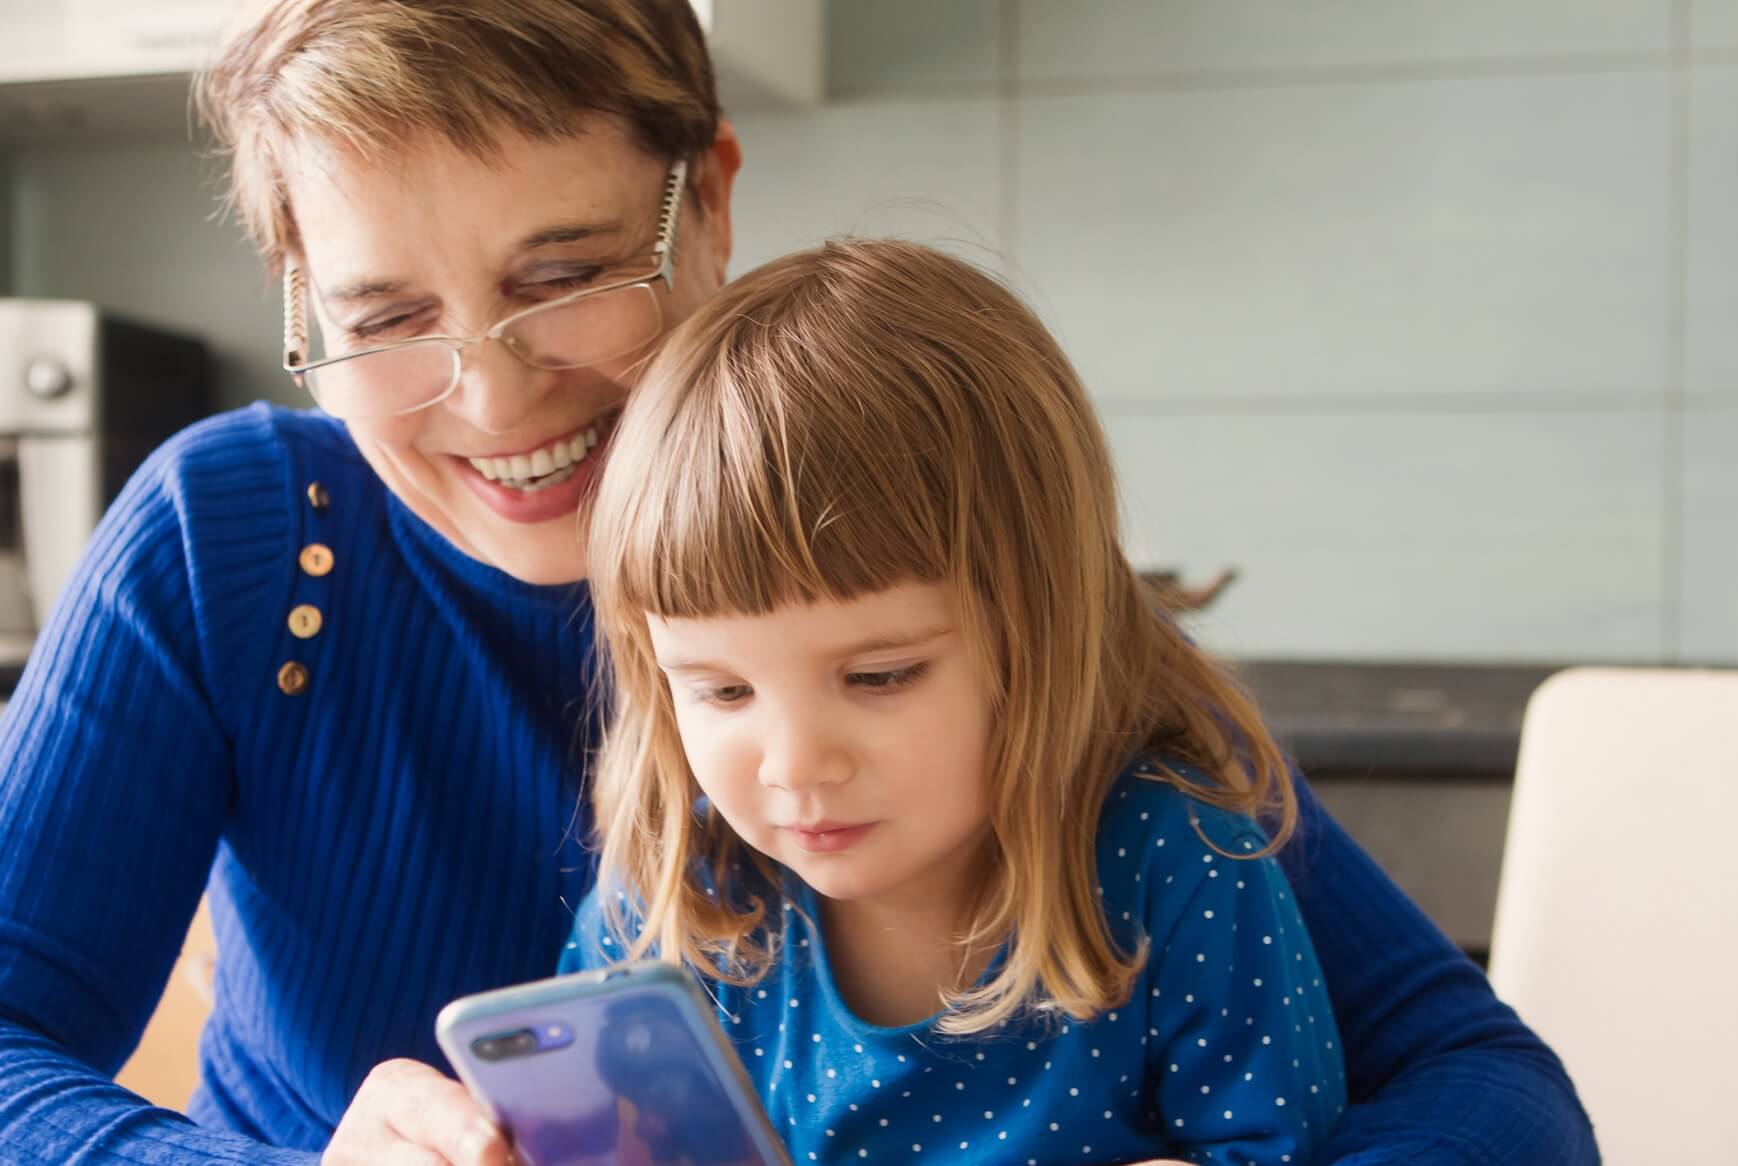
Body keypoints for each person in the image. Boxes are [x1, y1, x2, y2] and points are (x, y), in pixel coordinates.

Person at [0, 2, 1598, 1163]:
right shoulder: (235, 545)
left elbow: (1492, 1091)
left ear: (712, 201)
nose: (494, 393)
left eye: (568, 272)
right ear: (304, 307)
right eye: (384, 320)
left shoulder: (935, 549)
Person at [563, 238, 1342, 1164]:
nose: (795, 764)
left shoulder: (1173, 865)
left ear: (1043, 632)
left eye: (880, 677)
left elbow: (1278, 1148)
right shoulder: (671, 897)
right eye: (722, 690)